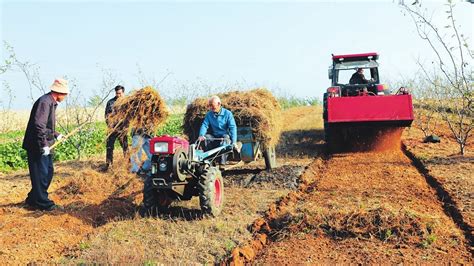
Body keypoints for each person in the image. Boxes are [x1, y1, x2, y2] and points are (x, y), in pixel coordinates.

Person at [22, 78, 69, 211]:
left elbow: (46, 126)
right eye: (65, 94)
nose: (65, 97)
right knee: (41, 174)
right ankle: (42, 202)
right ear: (59, 93)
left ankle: (33, 199)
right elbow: (39, 125)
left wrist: (56, 134)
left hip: (44, 143)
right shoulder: (45, 102)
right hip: (37, 145)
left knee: (47, 173)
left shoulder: (51, 102)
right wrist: (43, 145)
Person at [198, 95, 237, 164]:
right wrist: (201, 135)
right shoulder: (209, 114)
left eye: (212, 105)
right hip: (215, 137)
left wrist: (234, 142)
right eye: (210, 105)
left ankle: (222, 162)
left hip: (224, 136)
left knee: (225, 139)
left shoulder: (227, 114)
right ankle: (210, 160)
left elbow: (232, 127)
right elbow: (204, 125)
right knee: (207, 137)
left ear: (219, 104)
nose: (211, 107)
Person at [104, 85, 128, 170]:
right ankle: (108, 165)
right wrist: (110, 126)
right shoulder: (110, 102)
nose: (119, 95)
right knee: (109, 147)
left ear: (123, 93)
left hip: (122, 129)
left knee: (125, 147)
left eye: (120, 93)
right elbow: (107, 116)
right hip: (112, 129)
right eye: (117, 93)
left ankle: (127, 164)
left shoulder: (126, 102)